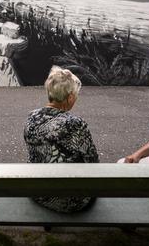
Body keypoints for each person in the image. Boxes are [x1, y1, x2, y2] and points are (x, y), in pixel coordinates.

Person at [24, 66, 99, 213]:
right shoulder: (75, 124)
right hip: (69, 200)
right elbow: (93, 162)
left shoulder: (31, 117)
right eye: (76, 95)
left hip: (37, 192)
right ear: (70, 97)